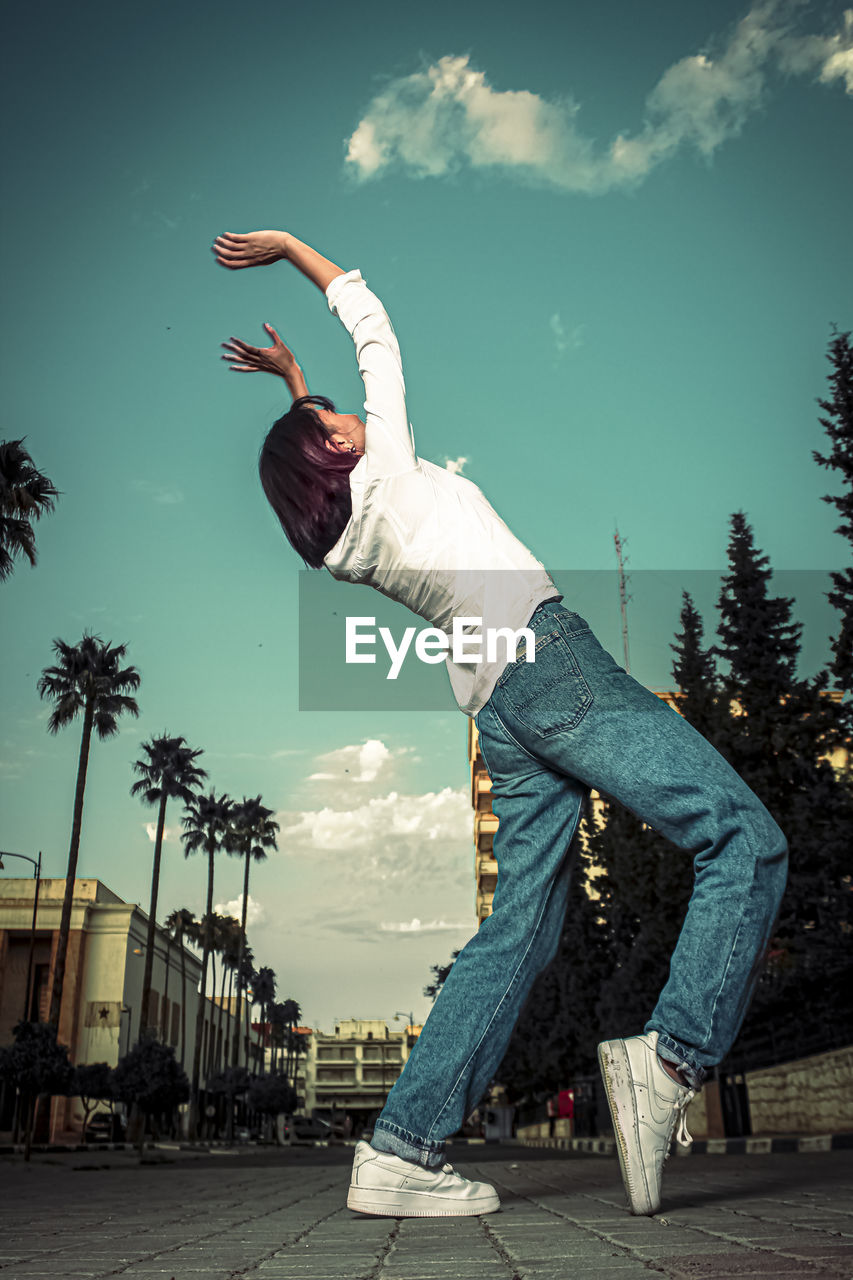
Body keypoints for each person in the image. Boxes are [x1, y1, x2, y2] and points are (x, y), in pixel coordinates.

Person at [213, 228, 789, 1219]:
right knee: (744, 835)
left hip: (495, 703)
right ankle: (670, 1058)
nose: (351, 416)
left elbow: (324, 444)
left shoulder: (346, 538)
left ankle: (399, 1144)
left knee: (518, 926)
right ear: (346, 445)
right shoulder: (382, 460)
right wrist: (290, 251)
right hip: (544, 656)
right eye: (338, 418)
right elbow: (374, 325)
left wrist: (293, 383)